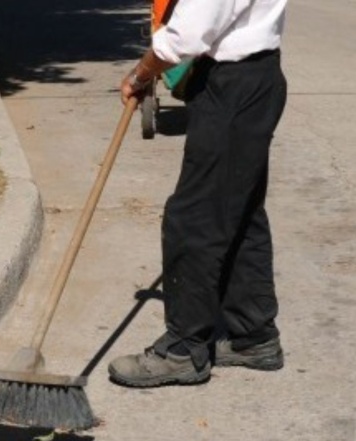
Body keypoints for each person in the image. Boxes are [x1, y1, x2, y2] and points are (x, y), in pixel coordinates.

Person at [108, 0, 289, 387]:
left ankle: (183, 350)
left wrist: (139, 76)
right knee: (240, 212)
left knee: (193, 217)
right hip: (256, 77)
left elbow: (185, 35)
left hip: (234, 87)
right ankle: (251, 334)